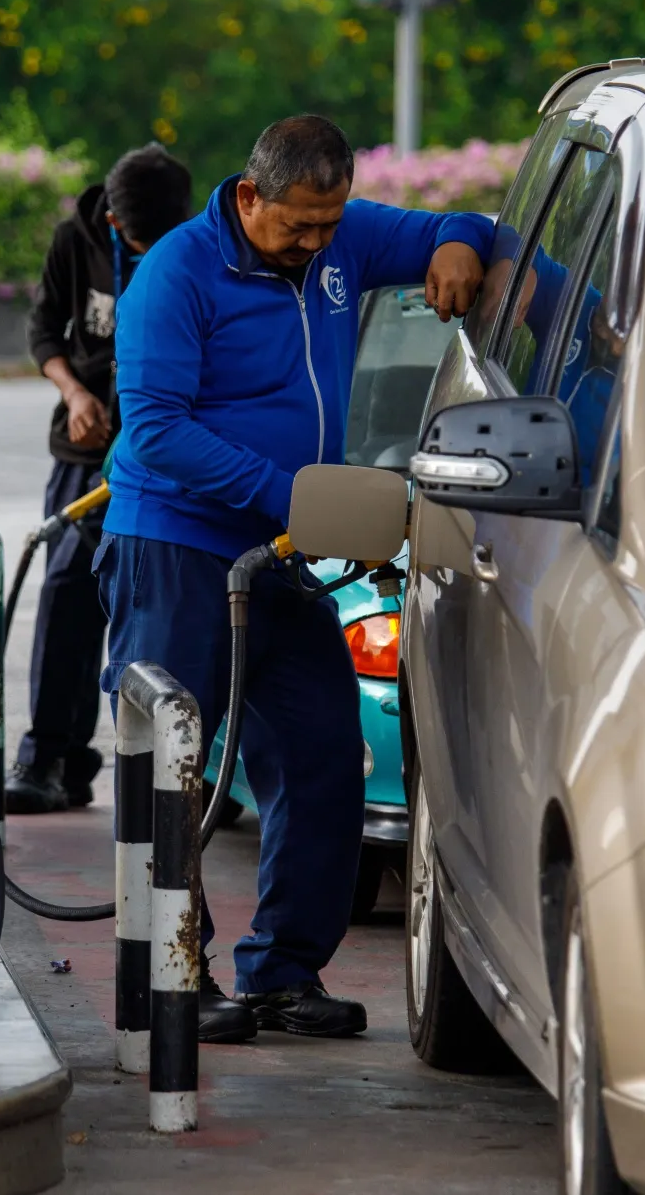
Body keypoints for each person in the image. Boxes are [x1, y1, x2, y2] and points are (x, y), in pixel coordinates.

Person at [100, 115, 493, 1041]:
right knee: (171, 769)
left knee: (323, 755)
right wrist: (291, 497)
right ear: (249, 196)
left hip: (281, 555)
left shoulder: (343, 235)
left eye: (330, 224)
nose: (318, 245)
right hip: (180, 542)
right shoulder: (177, 273)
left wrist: (460, 246)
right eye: (298, 227)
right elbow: (153, 428)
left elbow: (470, 224)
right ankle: (169, 979)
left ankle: (281, 972)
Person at [5, 144, 196, 814]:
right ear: (113, 224)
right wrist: (74, 395)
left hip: (161, 456)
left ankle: (164, 765)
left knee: (157, 605)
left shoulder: (195, 251)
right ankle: (50, 756)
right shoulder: (76, 239)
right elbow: (41, 330)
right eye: (139, 242)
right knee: (65, 588)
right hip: (87, 454)